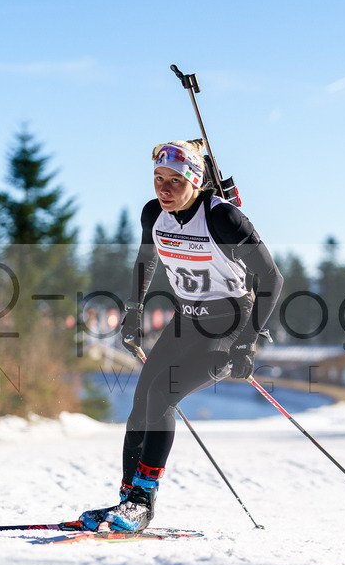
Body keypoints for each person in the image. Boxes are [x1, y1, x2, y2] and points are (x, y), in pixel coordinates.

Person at [80, 139, 283, 533]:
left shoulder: (224, 218)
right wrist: (134, 311)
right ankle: (127, 500)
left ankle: (143, 502)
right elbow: (146, 259)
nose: (164, 188)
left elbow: (272, 278)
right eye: (158, 178)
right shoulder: (154, 214)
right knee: (140, 407)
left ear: (195, 180)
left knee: (163, 395)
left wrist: (247, 340)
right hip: (185, 319)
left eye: (174, 180)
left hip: (228, 324)